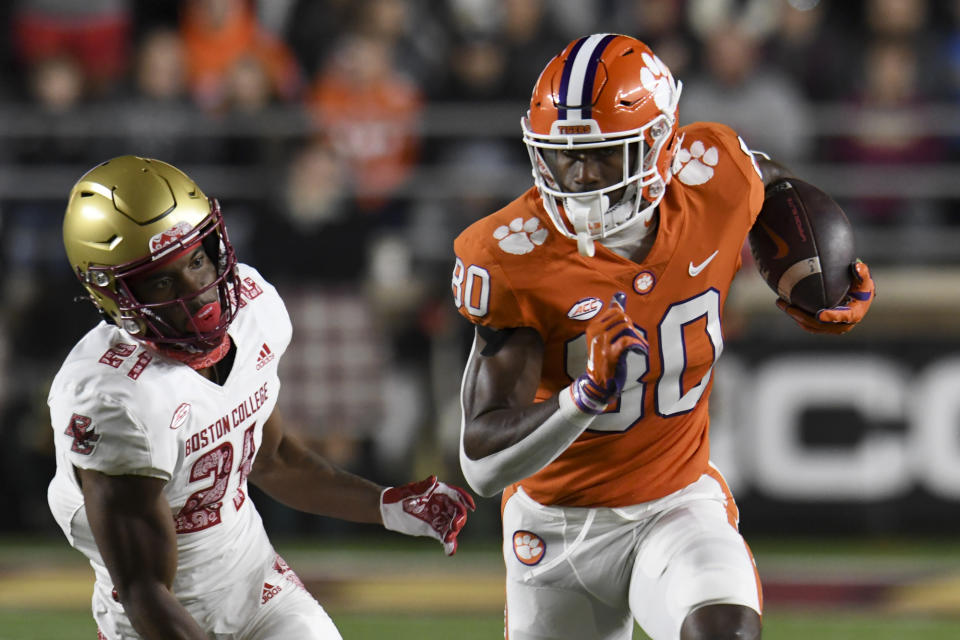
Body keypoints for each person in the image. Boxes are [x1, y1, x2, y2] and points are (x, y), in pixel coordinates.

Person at [451, 34, 875, 640]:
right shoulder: (510, 254)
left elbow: (774, 188)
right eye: (562, 156)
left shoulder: (713, 175)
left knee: (723, 630)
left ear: (659, 145)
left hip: (675, 504)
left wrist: (821, 277)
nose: (578, 177)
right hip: (554, 529)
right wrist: (584, 397)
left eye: (602, 155)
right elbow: (482, 464)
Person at [47, 155, 475, 640]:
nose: (199, 294)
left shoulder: (253, 308)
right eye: (163, 280)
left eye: (198, 260)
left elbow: (273, 460)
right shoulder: (114, 398)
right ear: (114, 294)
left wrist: (387, 505)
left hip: (256, 588)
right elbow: (145, 589)